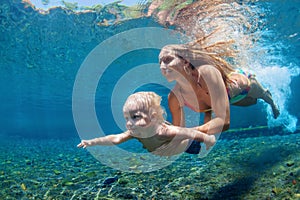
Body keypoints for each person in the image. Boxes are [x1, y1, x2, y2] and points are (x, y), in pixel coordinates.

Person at [159, 43, 280, 136]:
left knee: (264, 96)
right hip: (230, 99)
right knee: (252, 102)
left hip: (244, 86)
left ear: (185, 61)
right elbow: (178, 133)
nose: (162, 66)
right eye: (160, 62)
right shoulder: (174, 97)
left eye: (168, 60)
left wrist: (187, 132)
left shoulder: (206, 73)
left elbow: (224, 122)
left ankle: (273, 103)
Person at [77, 91, 216, 157]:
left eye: (135, 117)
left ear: (153, 117)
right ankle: (206, 112)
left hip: (185, 145)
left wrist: (209, 139)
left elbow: (191, 134)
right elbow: (116, 138)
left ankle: (207, 110)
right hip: (170, 150)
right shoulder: (136, 132)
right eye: (127, 118)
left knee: (197, 132)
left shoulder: (164, 132)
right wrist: (92, 142)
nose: (129, 124)